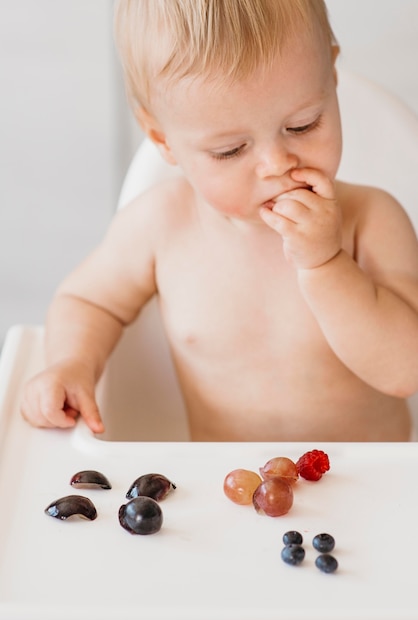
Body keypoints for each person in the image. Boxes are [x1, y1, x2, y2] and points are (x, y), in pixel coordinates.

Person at [21, 0, 418, 442]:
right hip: (224, 492)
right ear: (162, 140)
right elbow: (88, 301)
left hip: (370, 489)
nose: (275, 163)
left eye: (303, 125)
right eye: (230, 151)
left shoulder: (372, 221)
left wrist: (326, 266)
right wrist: (71, 363)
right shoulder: (160, 226)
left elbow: (407, 369)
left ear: (332, 78)